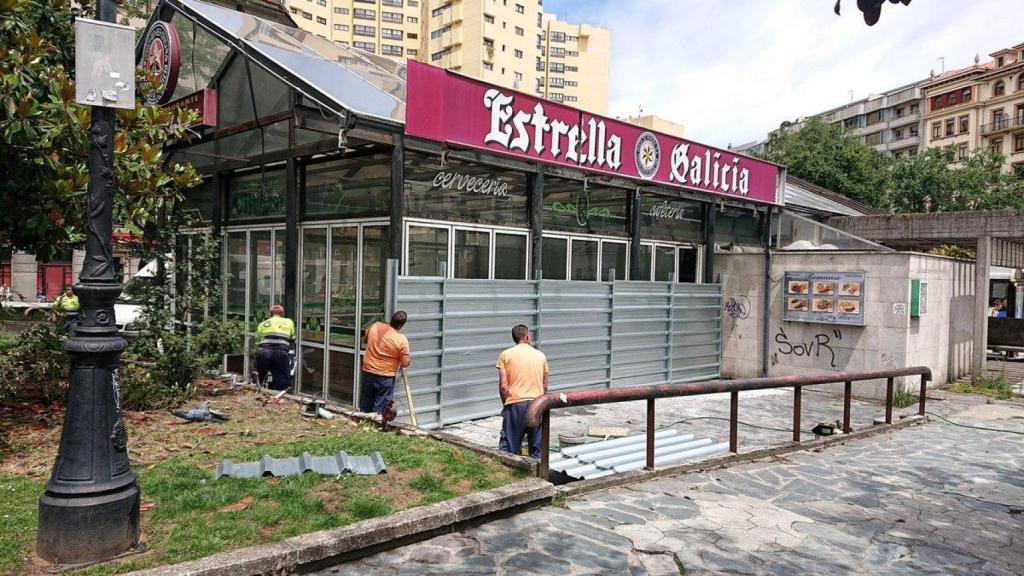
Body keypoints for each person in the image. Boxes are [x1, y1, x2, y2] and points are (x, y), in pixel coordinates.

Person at [495, 324, 549, 459]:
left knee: (509, 451)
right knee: (537, 451)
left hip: (515, 405)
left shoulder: (505, 355)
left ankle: (508, 476)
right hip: (537, 405)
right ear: (527, 336)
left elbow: (503, 386)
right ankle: (538, 477)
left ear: (514, 339)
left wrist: (506, 406)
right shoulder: (541, 356)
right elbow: (545, 385)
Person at [359, 311, 410, 414]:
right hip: (385, 376)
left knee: (366, 402)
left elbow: (365, 340)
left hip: (368, 371)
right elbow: (405, 363)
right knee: (380, 407)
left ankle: (363, 422)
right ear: (401, 325)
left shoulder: (375, 326)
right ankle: (375, 426)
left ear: (391, 319)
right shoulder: (401, 339)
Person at [254, 304, 296, 391]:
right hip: (280, 353)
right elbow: (292, 338)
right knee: (281, 380)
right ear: (282, 314)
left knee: (259, 375)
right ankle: (278, 397)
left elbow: (257, 341)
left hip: (265, 352)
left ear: (270, 314)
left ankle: (258, 388)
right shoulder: (289, 322)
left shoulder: (263, 324)